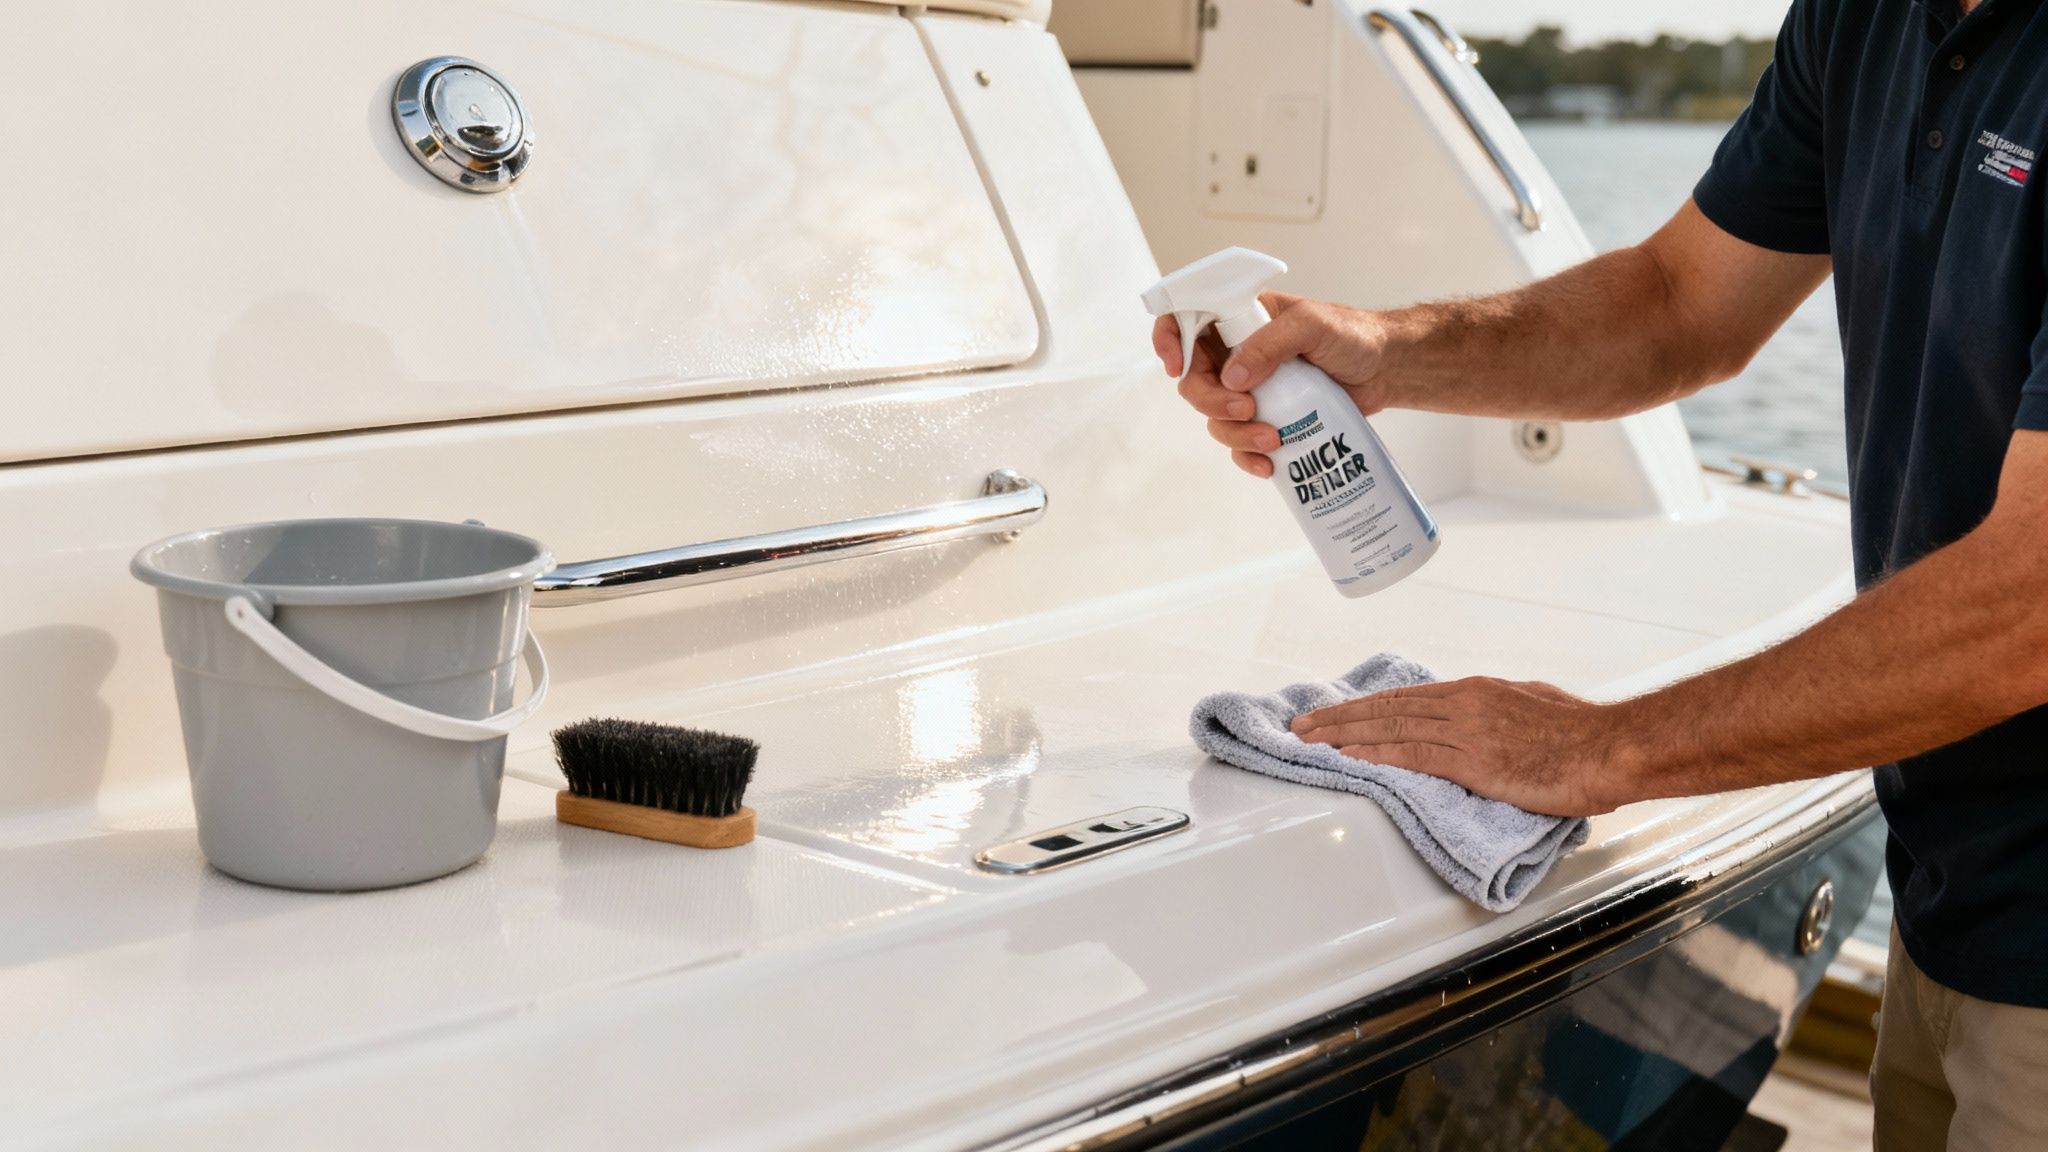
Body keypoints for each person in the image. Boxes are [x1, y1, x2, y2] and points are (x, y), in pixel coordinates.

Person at [1153, 0, 2048, 1147]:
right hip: (1952, 887)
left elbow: (2025, 607)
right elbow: (1678, 301)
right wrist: (1384, 352)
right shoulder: (1861, 17)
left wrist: (1593, 748)